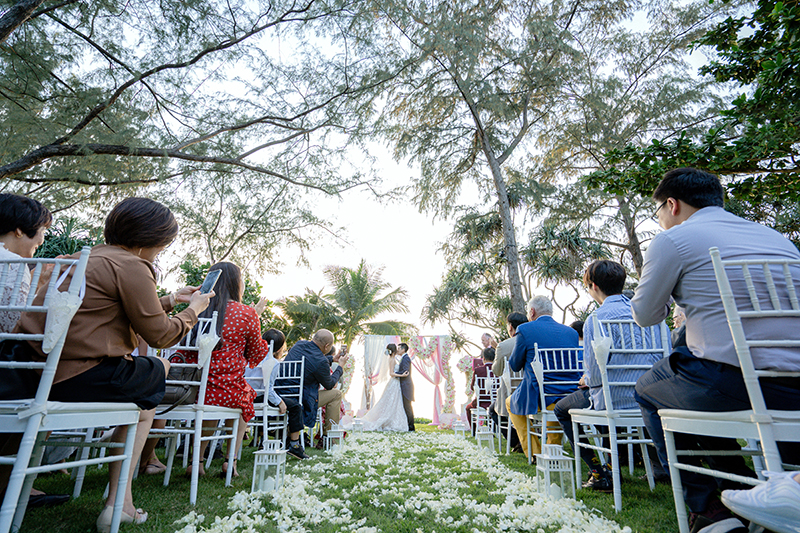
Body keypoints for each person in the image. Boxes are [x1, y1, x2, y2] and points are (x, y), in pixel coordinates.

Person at [1, 197, 213, 532]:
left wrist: (170, 300)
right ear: (151, 240)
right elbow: (159, 335)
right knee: (158, 373)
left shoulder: (79, 259)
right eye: (164, 243)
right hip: (77, 375)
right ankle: (119, 503)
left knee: (143, 390)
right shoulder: (132, 266)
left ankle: (117, 499)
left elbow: (101, 308)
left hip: (33, 372)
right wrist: (193, 311)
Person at [631, 168, 800, 532]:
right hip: (794, 387)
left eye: (658, 211)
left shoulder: (673, 240)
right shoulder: (779, 240)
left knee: (650, 389)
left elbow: (645, 315)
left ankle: (710, 510)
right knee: (685, 378)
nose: (660, 220)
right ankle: (750, 487)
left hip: (732, 382)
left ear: (671, 205)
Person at [553, 260, 670, 492]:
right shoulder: (652, 316)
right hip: (652, 398)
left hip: (614, 399)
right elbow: (666, 358)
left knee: (562, 409)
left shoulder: (596, 319)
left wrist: (587, 380)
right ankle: (657, 466)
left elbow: (595, 375)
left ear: (593, 286)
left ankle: (599, 472)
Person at [0, 194, 68, 509]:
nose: (42, 239)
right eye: (41, 230)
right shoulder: (12, 266)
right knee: (54, 388)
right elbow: (16, 328)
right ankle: (9, 486)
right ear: (18, 229)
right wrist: (44, 282)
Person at [184, 262, 271, 478]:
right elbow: (256, 355)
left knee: (210, 400)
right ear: (236, 283)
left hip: (191, 389)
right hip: (226, 389)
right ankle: (229, 461)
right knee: (246, 397)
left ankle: (197, 462)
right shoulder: (246, 313)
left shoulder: (196, 308)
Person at [506, 295, 580, 459]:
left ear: (531, 312)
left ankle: (534, 452)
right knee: (555, 401)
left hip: (539, 395)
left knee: (510, 402)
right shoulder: (571, 332)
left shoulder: (525, 330)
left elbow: (515, 365)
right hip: (569, 395)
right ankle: (553, 448)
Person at [278, 329, 349, 448]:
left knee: (333, 393)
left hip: (281, 394)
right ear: (327, 346)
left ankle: (326, 437)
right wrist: (340, 367)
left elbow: (310, 361)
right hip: (301, 398)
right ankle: (327, 437)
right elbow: (329, 384)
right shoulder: (320, 361)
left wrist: (332, 359)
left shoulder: (299, 345)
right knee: (336, 394)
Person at [261, 329, 308, 459]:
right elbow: (268, 390)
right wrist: (279, 402)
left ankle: (260, 439)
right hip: (265, 397)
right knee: (295, 406)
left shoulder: (252, 359)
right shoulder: (274, 363)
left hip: (251, 398)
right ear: (279, 349)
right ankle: (294, 444)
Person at [491, 312, 527, 451]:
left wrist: (496, 351)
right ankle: (525, 438)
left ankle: (517, 441)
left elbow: (497, 371)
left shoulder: (503, 346)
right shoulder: (534, 341)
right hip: (532, 391)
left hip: (511, 394)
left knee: (493, 411)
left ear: (510, 327)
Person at [361, 344, 410, 432]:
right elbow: (391, 373)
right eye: (397, 348)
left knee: (394, 402)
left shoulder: (393, 359)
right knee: (391, 402)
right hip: (394, 382)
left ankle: (393, 419)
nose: (398, 350)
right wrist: (401, 375)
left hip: (396, 383)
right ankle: (389, 420)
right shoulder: (392, 359)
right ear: (394, 350)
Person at [466, 347, 494, 434]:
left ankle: (474, 431)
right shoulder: (497, 370)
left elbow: (472, 387)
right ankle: (493, 429)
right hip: (495, 401)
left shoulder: (478, 370)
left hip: (481, 401)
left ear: (483, 358)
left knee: (468, 408)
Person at [397, 343, 415, 431]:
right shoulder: (403, 358)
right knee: (406, 406)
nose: (397, 350)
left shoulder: (406, 359)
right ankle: (408, 425)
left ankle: (411, 426)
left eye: (399, 348)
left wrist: (394, 374)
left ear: (403, 349)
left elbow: (405, 372)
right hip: (404, 385)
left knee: (407, 406)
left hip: (406, 386)